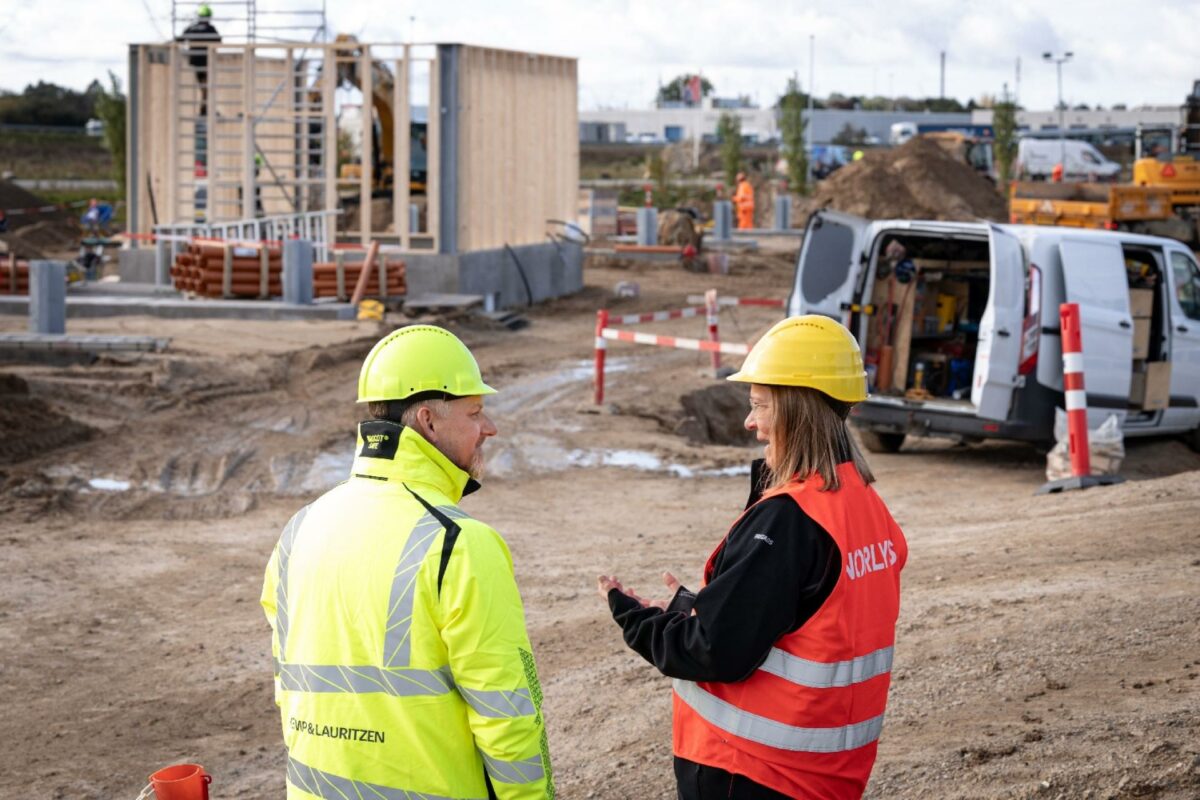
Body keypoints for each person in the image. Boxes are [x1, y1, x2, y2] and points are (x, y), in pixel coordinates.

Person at [598, 315, 908, 799]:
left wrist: (636, 619)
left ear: (795, 409)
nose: (750, 422)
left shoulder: (789, 521)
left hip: (751, 771)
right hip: (827, 775)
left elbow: (712, 649)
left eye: (760, 405)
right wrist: (690, 607)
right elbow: (798, 615)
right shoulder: (863, 503)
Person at [262, 325, 554, 799]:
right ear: (428, 421)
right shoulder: (458, 543)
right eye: (476, 412)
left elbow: (289, 684)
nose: (490, 427)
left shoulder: (300, 528)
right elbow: (507, 715)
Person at [177, 5, 221, 116]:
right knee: (206, 87)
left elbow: (181, 39)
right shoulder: (210, 29)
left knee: (201, 88)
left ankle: (204, 109)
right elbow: (218, 41)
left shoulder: (192, 28)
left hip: (194, 61)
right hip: (206, 61)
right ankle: (204, 110)